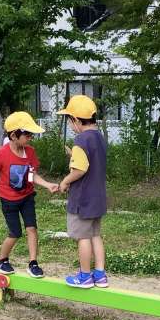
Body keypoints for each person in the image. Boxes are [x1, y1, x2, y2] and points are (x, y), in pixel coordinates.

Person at [0, 112, 59, 277]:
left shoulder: (30, 152)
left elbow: (31, 175)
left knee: (32, 228)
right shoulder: (2, 153)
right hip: (9, 200)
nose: (30, 137)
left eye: (31, 134)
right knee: (15, 233)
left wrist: (47, 184)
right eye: (27, 134)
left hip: (27, 197)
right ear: (14, 135)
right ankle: (2, 260)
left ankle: (33, 263)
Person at [57, 95, 108, 288]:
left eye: (70, 121)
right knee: (95, 235)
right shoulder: (99, 138)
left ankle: (85, 276)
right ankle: (100, 275)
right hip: (98, 198)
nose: (71, 126)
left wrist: (64, 182)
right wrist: (74, 154)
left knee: (83, 237)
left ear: (76, 120)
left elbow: (80, 170)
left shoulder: (81, 140)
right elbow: (91, 160)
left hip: (83, 200)